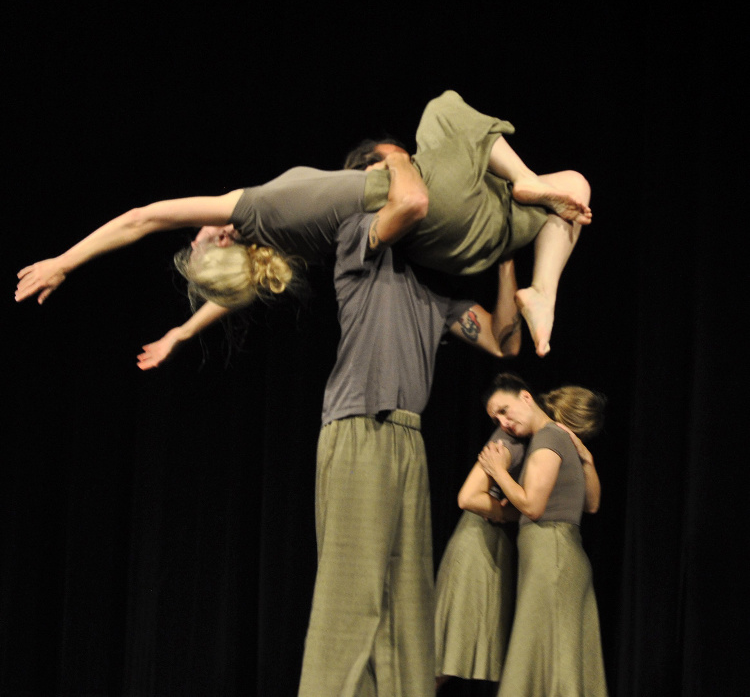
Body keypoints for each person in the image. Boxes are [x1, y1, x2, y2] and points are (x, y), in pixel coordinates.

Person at [16, 91, 591, 359]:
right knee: (443, 108)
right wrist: (64, 262)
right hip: (432, 201)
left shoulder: (285, 244)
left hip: (461, 246)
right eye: (197, 240)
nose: (195, 233)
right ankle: (524, 181)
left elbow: (233, 293)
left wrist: (183, 333)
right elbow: (143, 218)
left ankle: (544, 292)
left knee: (574, 191)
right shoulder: (251, 210)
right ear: (219, 237)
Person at [298, 194, 524, 696]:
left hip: (407, 437)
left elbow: (504, 341)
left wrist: (506, 259)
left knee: (407, 600)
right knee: (350, 596)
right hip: (360, 426)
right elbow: (410, 205)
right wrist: (397, 170)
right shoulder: (359, 240)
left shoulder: (437, 295)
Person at [434, 381, 606, 692]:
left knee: (542, 665)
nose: (503, 423)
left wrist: (501, 475)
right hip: (528, 551)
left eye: (505, 411)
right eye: (496, 417)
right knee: (546, 665)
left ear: (527, 398)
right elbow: (588, 506)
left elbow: (541, 507)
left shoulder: (547, 439)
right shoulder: (529, 437)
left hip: (543, 554)